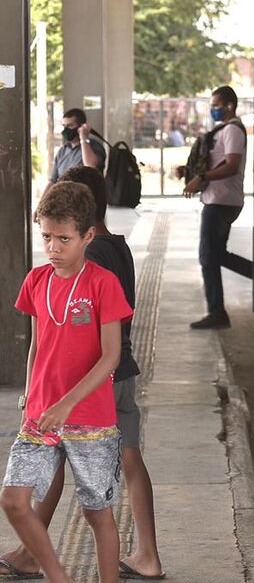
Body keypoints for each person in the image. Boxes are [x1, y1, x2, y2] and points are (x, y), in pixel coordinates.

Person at [0, 168, 165, 580]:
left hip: (90, 417)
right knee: (14, 501)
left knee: (97, 513)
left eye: (63, 239)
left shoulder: (102, 284)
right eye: (46, 238)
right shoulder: (36, 281)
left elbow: (110, 358)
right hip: (41, 415)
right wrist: (29, 398)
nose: (53, 248)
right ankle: (58, 575)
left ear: (88, 236)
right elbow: (37, 346)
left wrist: (67, 403)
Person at [181, 86, 248, 329]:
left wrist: (202, 177)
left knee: (208, 257)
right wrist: (189, 172)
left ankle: (217, 312)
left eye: (217, 105)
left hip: (222, 201)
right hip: (216, 199)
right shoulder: (223, 130)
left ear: (230, 105)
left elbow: (231, 165)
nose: (213, 110)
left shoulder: (233, 131)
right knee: (216, 255)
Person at [48, 108, 106, 187]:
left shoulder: (94, 146)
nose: (66, 129)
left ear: (81, 127)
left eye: (70, 126)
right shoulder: (62, 151)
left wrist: (83, 138)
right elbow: (52, 181)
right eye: (64, 126)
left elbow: (91, 166)